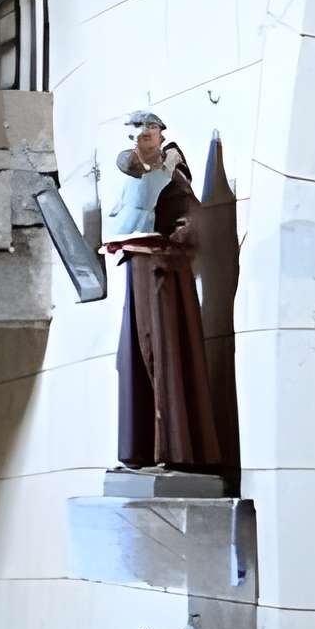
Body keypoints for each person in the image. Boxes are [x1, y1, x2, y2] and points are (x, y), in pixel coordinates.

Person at [104, 109, 224, 475]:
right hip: (138, 266)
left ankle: (173, 450)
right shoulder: (136, 174)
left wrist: (173, 241)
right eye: (135, 135)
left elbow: (189, 219)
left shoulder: (172, 173)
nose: (140, 140)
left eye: (147, 133)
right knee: (136, 359)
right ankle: (141, 450)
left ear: (158, 135)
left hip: (161, 270)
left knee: (165, 355)